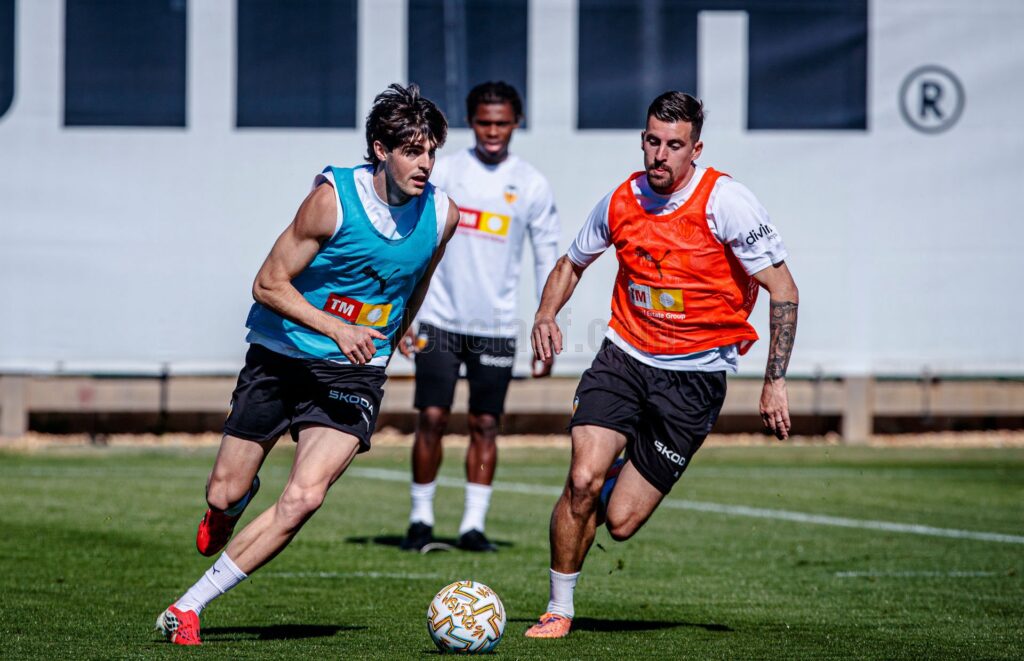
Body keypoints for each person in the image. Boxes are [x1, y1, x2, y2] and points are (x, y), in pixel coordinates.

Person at [154, 83, 460, 646]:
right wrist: (337, 327)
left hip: (353, 371)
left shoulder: (443, 214)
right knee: (223, 492)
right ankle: (229, 507)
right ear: (380, 150)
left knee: (305, 496)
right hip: (282, 355)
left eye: (431, 152)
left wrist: (396, 334)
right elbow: (267, 284)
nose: (425, 164)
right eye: (412, 151)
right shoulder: (333, 201)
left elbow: (417, 280)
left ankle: (189, 607)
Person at [523, 91, 799, 638]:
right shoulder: (621, 201)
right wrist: (545, 314)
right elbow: (571, 263)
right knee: (581, 478)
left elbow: (784, 289)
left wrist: (775, 382)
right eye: (653, 141)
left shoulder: (727, 202)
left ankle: (610, 482)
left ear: (696, 149)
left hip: (694, 380)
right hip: (624, 358)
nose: (660, 155)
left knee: (621, 521)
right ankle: (559, 608)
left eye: (674, 145)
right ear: (643, 140)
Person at [396, 81, 561, 553]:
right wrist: (404, 313)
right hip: (438, 319)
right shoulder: (445, 171)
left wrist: (547, 322)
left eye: (502, 123)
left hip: (496, 326)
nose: (492, 131)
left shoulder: (530, 183)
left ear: (516, 123)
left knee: (486, 424)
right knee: (431, 416)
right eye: (484, 122)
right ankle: (420, 520)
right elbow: (410, 238)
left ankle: (473, 525)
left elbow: (547, 257)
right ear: (471, 122)